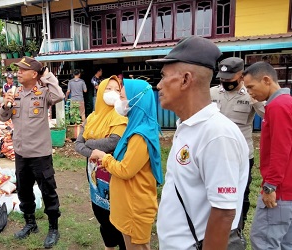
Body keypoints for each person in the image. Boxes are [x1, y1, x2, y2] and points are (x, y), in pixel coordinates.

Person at [146, 36, 248, 250]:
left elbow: (223, 212)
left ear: (185, 79)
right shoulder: (189, 126)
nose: (158, 85)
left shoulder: (217, 134)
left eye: (164, 76)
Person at [0, 56, 65, 249]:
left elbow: (59, 95)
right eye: (17, 70)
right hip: (21, 153)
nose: (17, 73)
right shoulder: (14, 92)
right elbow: (3, 118)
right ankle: (30, 224)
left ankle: (53, 228)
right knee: (24, 191)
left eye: (22, 70)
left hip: (40, 154)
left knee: (48, 192)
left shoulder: (43, 93)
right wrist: (5, 104)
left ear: (34, 74)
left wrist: (47, 75)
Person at [89, 78, 163, 250]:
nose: (118, 101)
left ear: (137, 100)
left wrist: (104, 158)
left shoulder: (140, 135)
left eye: (122, 96)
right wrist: (108, 163)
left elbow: (126, 170)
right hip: (128, 204)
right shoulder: (135, 125)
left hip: (134, 209)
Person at [211, 57, 265, 235]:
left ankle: (237, 229)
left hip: (241, 155)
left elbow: (267, 115)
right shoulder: (212, 93)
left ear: (241, 76)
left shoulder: (250, 95)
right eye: (223, 79)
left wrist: (255, 100)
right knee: (214, 191)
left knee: (241, 192)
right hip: (215, 153)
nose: (226, 82)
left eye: (230, 79)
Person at [75, 75, 128, 250]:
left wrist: (89, 143)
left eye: (117, 89)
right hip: (93, 173)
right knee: (100, 211)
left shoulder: (120, 115)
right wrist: (94, 150)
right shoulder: (92, 117)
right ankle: (109, 245)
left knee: (117, 215)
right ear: (100, 90)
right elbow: (77, 144)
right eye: (108, 88)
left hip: (113, 171)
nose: (113, 93)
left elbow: (114, 141)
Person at [243, 62, 292, 250]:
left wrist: (270, 186)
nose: (249, 93)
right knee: (286, 243)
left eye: (250, 87)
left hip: (280, 190)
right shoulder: (286, 103)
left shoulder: (278, 106)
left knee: (263, 241)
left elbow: (280, 149)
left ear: (266, 80)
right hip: (287, 188)